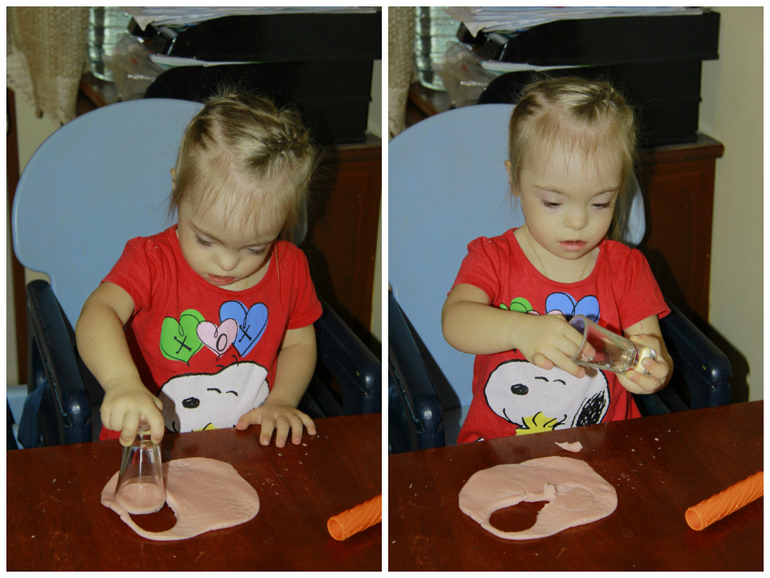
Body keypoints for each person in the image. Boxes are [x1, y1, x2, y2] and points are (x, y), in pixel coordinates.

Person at [76, 92, 321, 448]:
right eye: (206, 240)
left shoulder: (290, 268)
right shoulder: (151, 261)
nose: (227, 263)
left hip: (247, 448)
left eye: (255, 248)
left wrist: (282, 400)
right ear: (177, 187)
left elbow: (299, 343)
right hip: (148, 446)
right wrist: (121, 382)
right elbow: (100, 311)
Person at [442, 77, 673, 443]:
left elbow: (652, 346)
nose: (578, 221)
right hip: (502, 450)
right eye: (553, 202)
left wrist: (653, 369)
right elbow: (455, 321)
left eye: (600, 203)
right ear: (515, 180)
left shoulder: (627, 268)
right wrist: (520, 330)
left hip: (605, 449)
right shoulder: (492, 258)